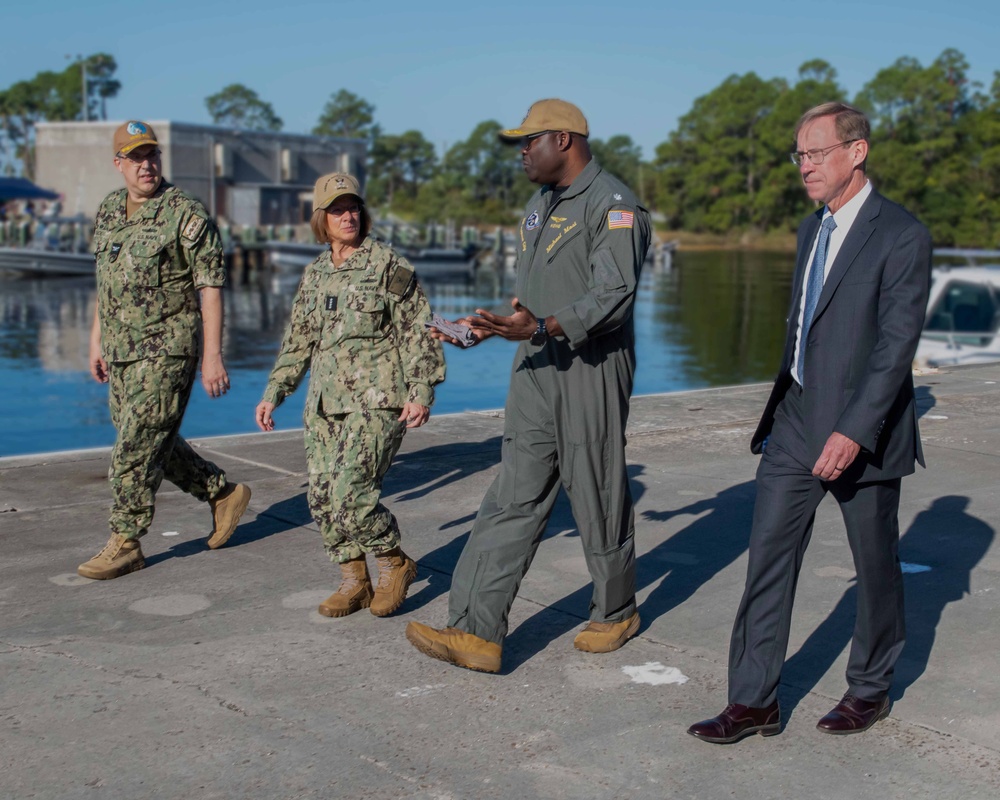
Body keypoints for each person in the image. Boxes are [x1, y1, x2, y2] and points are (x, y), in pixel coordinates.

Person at [688, 102, 931, 743]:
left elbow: (895, 346)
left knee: (874, 565)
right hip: (795, 418)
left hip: (862, 429)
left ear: (857, 152)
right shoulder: (809, 230)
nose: (805, 166)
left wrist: (854, 430)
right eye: (799, 154)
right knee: (767, 556)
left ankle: (870, 688)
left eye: (816, 152)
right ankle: (753, 700)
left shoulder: (902, 234)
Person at [405, 99, 652, 673]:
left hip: (590, 368)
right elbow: (531, 302)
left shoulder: (615, 206)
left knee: (596, 491)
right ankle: (475, 632)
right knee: (512, 493)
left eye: (529, 141)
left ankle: (616, 610)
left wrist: (540, 326)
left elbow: (611, 299)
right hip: (536, 366)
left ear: (563, 140)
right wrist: (488, 325)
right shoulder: (539, 208)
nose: (521, 152)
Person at [255, 172, 445, 618]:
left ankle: (394, 562)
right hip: (324, 403)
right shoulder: (316, 273)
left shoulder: (388, 265)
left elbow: (419, 332)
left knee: (351, 494)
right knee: (320, 499)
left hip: (377, 399)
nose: (348, 216)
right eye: (338, 209)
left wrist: (420, 391)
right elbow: (298, 340)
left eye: (354, 207)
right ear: (322, 218)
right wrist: (274, 391)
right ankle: (353, 579)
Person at [78, 120, 252, 581]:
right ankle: (221, 493)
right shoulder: (111, 210)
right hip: (121, 352)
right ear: (119, 165)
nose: (146, 165)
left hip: (169, 350)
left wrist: (212, 356)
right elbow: (106, 284)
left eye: (152, 155)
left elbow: (210, 287)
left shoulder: (185, 213)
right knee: (151, 438)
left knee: (134, 448)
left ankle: (126, 540)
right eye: (135, 158)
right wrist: (96, 338)